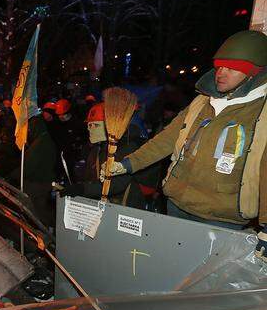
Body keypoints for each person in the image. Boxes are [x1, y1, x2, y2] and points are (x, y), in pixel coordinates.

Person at [105, 30, 267, 256]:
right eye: (219, 66)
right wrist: (128, 164)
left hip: (221, 218)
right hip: (177, 205)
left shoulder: (261, 112)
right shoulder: (201, 103)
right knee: (171, 267)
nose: (220, 73)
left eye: (231, 68)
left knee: (202, 284)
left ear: (253, 74)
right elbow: (167, 139)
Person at [61, 102, 161, 210]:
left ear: (109, 126)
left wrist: (82, 189)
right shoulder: (102, 147)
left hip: (127, 206)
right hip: (111, 202)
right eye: (89, 125)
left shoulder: (128, 148)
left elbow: (117, 184)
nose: (89, 129)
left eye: (95, 125)